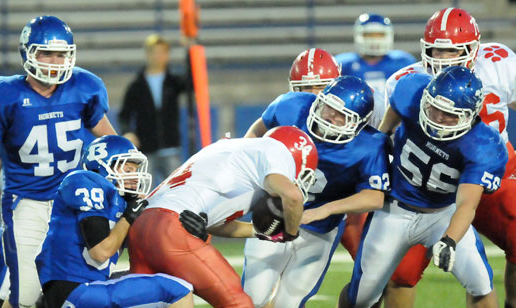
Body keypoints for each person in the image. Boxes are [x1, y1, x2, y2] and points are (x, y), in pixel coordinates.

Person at [0, 15, 117, 308]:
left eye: (61, 54)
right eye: (46, 52)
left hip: (72, 202)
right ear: (28, 53)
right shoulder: (2, 95)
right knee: (24, 295)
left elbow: (109, 144)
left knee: (82, 283)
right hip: (27, 202)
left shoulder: (85, 87)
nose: (54, 61)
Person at [337, 66, 507, 308]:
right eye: (435, 108)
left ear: (469, 115)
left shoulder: (484, 146)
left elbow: (467, 204)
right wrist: (383, 135)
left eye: (449, 115)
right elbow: (396, 106)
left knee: (480, 284)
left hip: (443, 214)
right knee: (362, 295)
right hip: (394, 209)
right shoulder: (412, 91)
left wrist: (449, 240)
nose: (438, 118)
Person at [382, 8, 516, 308]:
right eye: (436, 51)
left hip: (493, 170)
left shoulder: (499, 63)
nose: (443, 60)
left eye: (452, 51)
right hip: (429, 182)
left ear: (474, 49)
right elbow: (385, 139)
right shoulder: (405, 82)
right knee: (401, 272)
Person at [128, 126, 319, 308]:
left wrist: (259, 232)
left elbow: (212, 223)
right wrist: (290, 233)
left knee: (154, 302)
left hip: (141, 227)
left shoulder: (226, 149)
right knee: (238, 303)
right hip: (172, 230)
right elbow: (292, 197)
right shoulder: (276, 150)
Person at [242, 76, 391, 307]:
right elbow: (257, 131)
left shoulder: (370, 145)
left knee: (290, 302)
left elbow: (375, 197)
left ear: (359, 123)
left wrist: (325, 210)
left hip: (320, 230)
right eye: (328, 107)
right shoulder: (293, 106)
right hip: (274, 215)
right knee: (253, 297)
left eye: (341, 115)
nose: (330, 115)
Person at [35, 135, 194, 308]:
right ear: (102, 167)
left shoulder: (121, 201)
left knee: (165, 275)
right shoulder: (84, 181)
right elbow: (101, 251)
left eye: (136, 169)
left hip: (88, 286)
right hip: (74, 291)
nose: (135, 176)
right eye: (127, 169)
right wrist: (129, 217)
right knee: (177, 290)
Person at [119, 34, 187, 185]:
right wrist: (128, 132)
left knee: (175, 188)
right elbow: (124, 114)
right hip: (146, 147)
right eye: (154, 52)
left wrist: (189, 50)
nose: (158, 56)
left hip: (170, 146)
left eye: (162, 52)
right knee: (144, 190)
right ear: (147, 54)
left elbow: (193, 82)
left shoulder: (173, 82)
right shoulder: (137, 86)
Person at [335, 13, 416, 130]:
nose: (374, 40)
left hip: (395, 121)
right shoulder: (344, 64)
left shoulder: (403, 62)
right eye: (369, 35)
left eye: (379, 35)